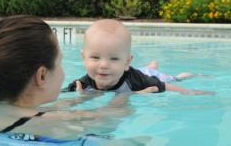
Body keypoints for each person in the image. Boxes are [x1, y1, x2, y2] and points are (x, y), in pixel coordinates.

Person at [0, 15, 144, 145]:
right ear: (41, 75)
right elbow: (113, 127)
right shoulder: (57, 126)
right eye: (60, 62)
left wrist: (78, 100)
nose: (62, 71)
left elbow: (13, 112)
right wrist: (123, 100)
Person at [62, 19, 215, 95]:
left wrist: (190, 92)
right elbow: (60, 96)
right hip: (133, 70)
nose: (103, 65)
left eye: (113, 58)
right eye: (95, 57)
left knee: (173, 77)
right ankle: (151, 65)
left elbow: (165, 87)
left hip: (149, 75)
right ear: (83, 57)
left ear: (127, 61)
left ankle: (183, 74)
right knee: (145, 69)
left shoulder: (137, 80)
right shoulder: (81, 84)